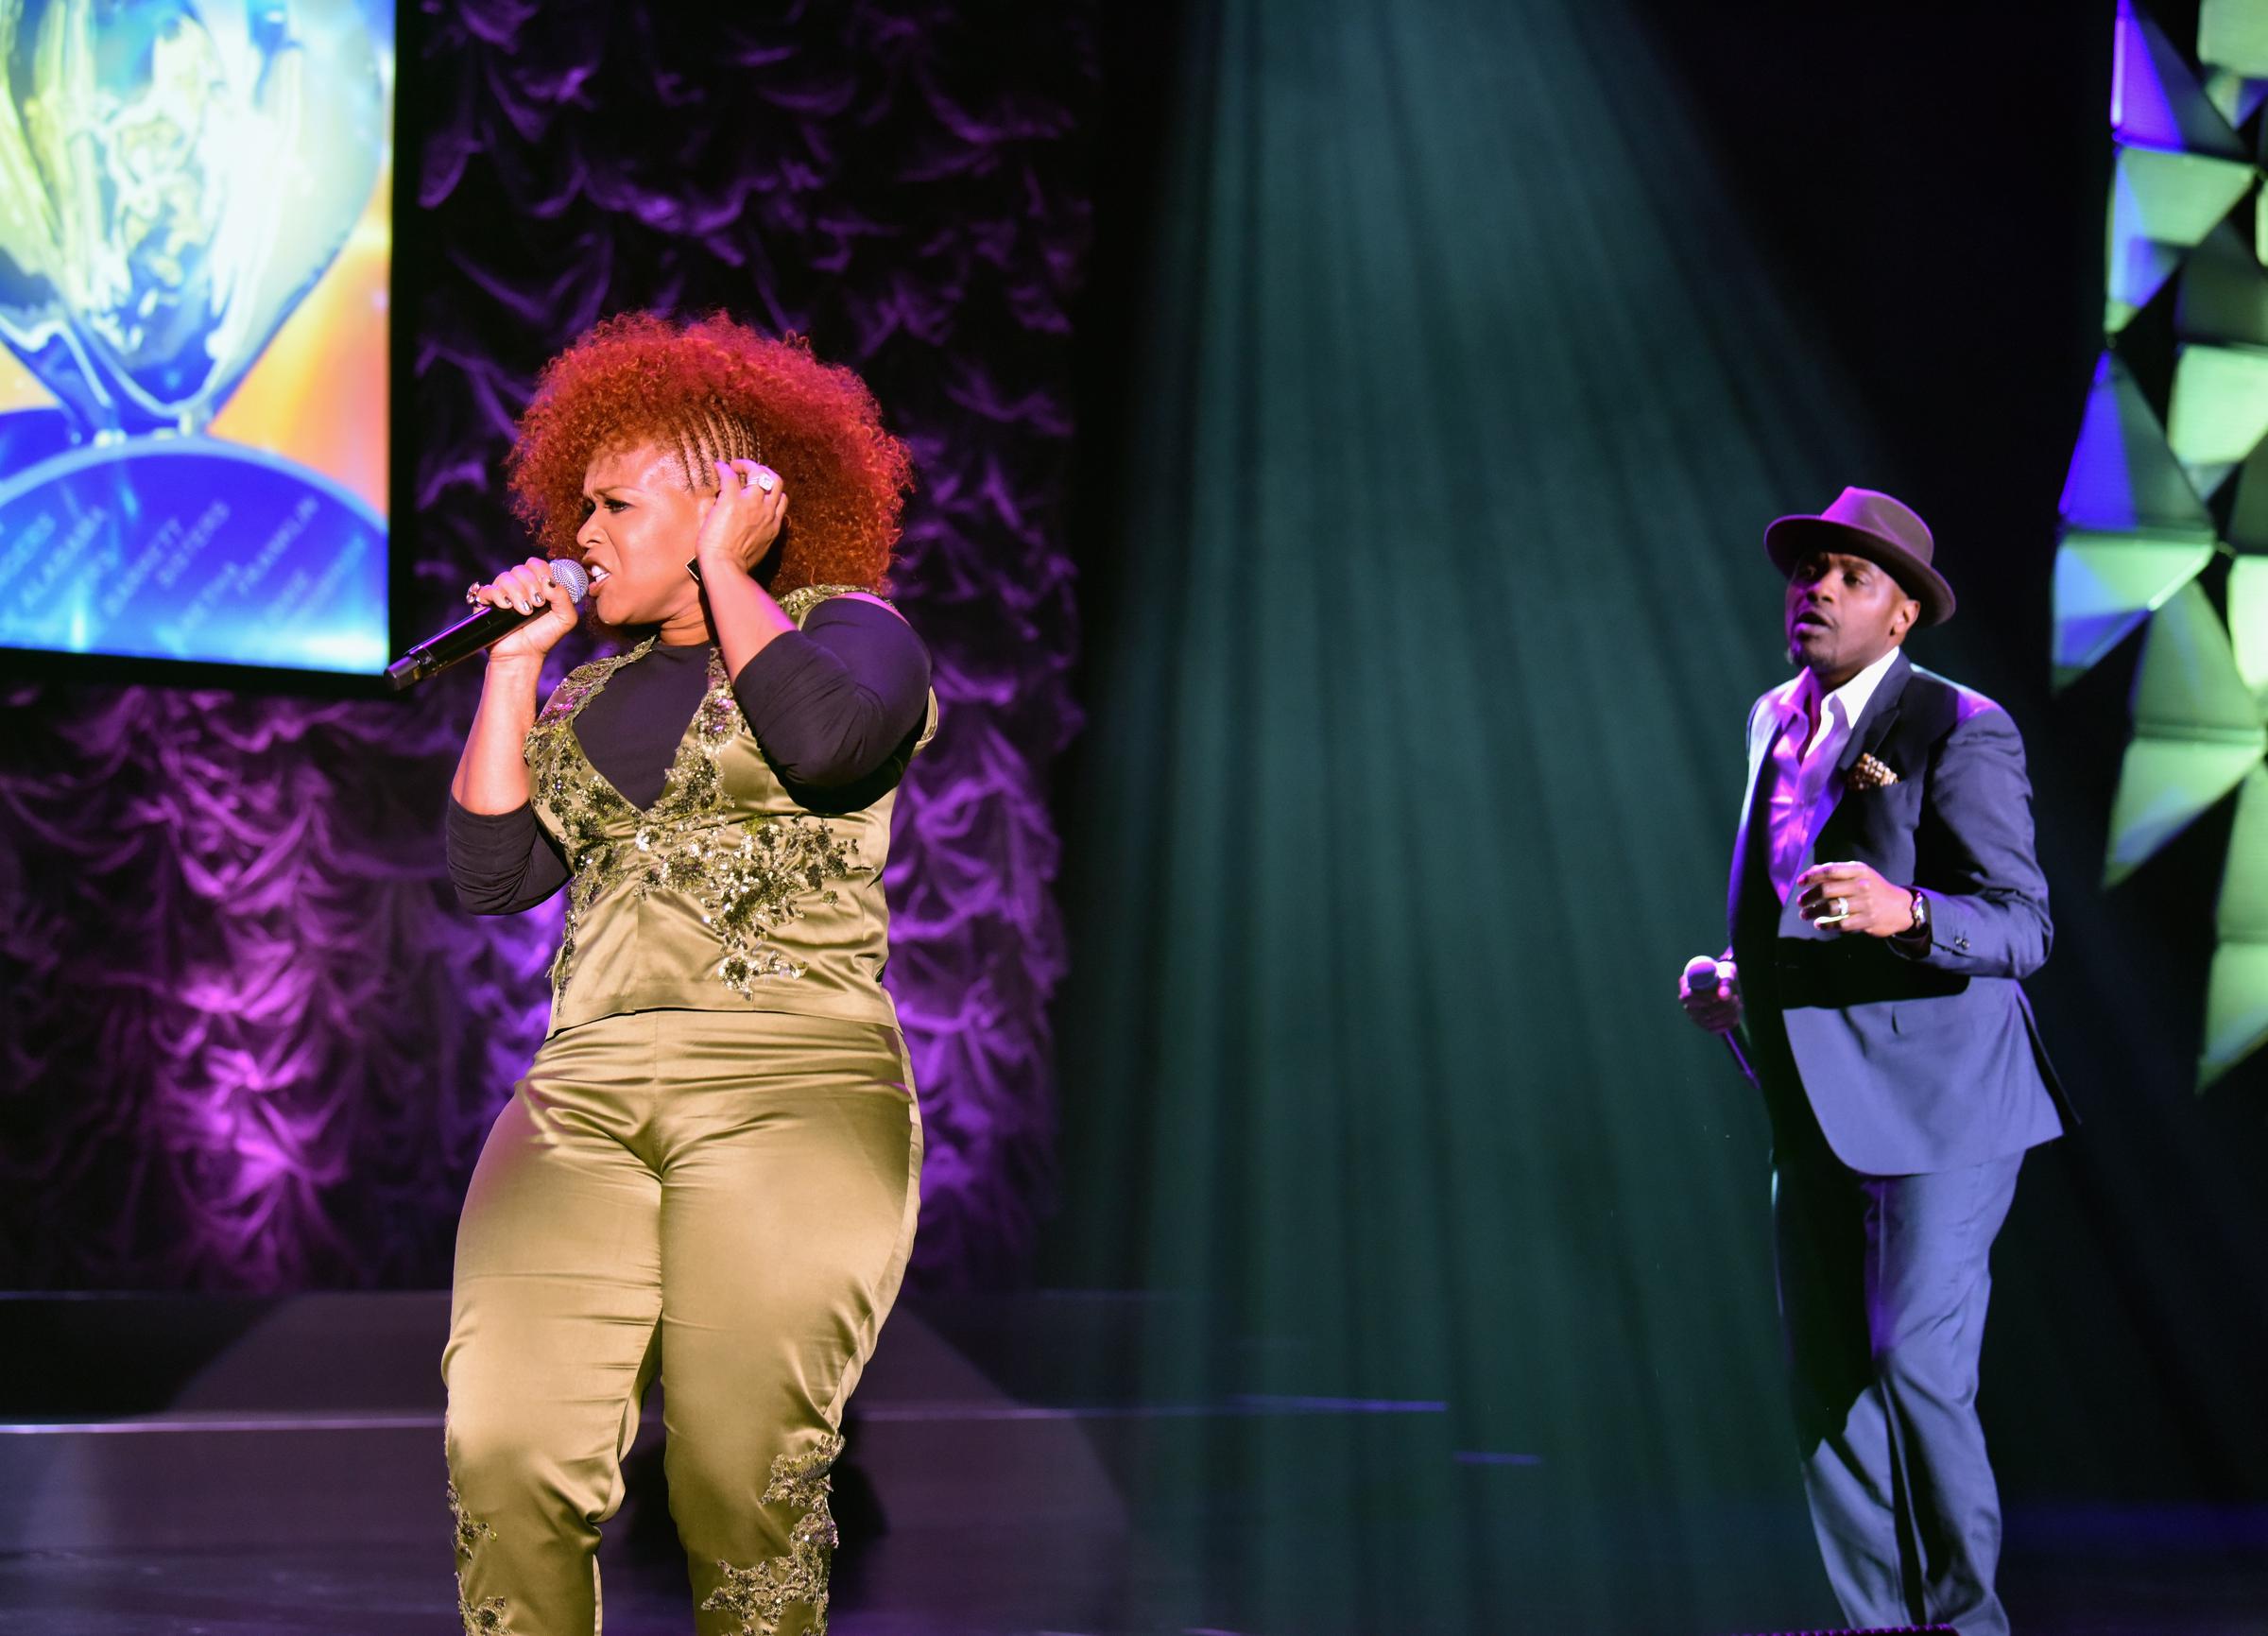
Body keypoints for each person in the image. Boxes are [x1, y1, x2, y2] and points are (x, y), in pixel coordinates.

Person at [438, 311, 933, 1636]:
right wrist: (511, 670)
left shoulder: (854, 634)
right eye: (576, 502)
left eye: (613, 502)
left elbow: (827, 746)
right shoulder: (587, 695)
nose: (580, 530)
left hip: (793, 1082)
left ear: (731, 499)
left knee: (737, 1478)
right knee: (504, 1449)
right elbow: (492, 874)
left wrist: (728, 573)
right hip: (583, 1089)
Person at [1677, 488, 2072, 1636]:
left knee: (1910, 1362)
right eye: (1811, 570)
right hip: (1810, 1100)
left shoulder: (1958, 727)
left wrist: (1907, 911)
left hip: (1942, 1108)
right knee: (1833, 1381)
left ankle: (1963, 1621)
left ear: (1900, 615)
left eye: (1851, 577)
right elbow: (1785, 901)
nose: (1819, 589)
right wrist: (1738, 982)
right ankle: (1878, 1623)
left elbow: (2023, 926)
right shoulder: (1772, 719)